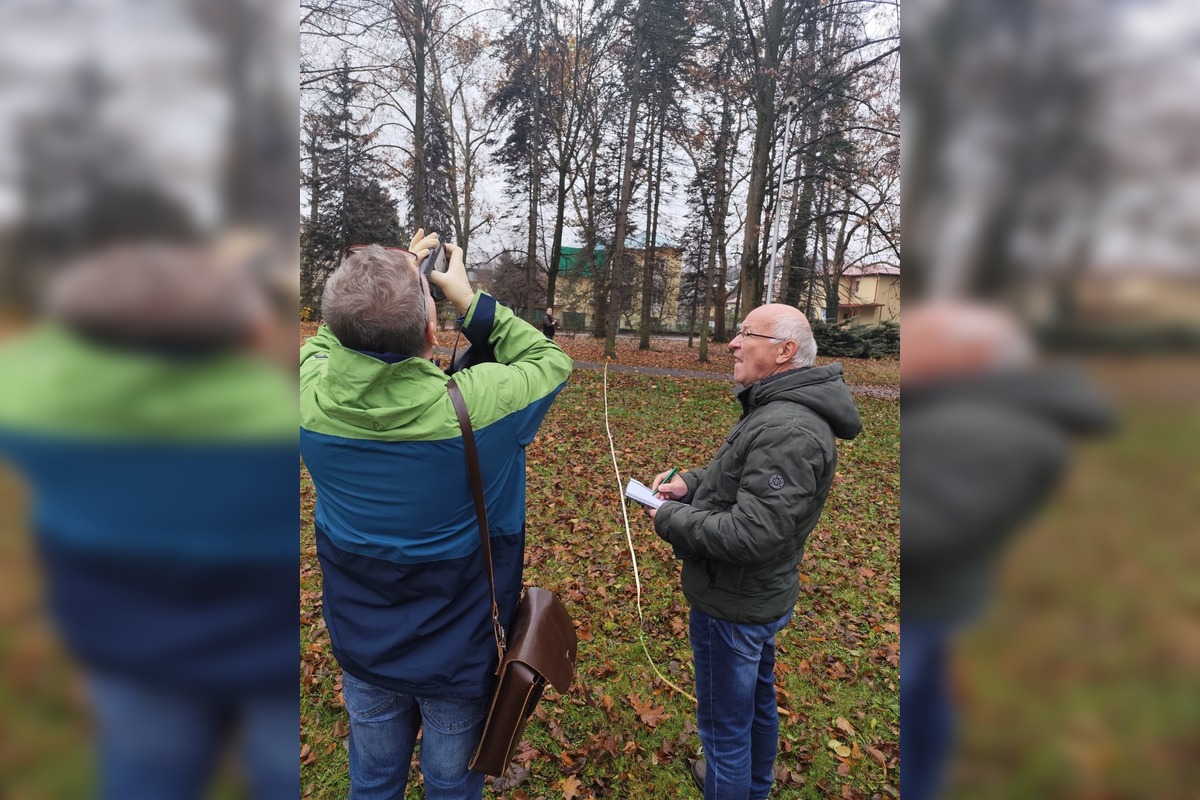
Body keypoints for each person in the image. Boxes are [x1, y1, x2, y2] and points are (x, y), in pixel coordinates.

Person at [0, 242, 299, 800]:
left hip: (132, 650)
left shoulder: (39, 413)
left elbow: (31, 353)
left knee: (147, 777)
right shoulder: (276, 422)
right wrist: (228, 293)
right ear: (246, 335)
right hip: (271, 663)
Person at [299, 232, 572, 800]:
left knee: (373, 780)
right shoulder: (480, 406)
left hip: (363, 639)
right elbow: (550, 360)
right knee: (450, 785)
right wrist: (469, 300)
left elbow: (325, 341)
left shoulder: (307, 395)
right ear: (431, 331)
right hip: (460, 647)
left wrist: (384, 280)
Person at [646, 303, 863, 800]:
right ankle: (754, 787)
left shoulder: (789, 428)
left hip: (735, 604)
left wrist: (668, 518)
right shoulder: (774, 410)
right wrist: (689, 485)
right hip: (752, 596)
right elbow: (739, 478)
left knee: (724, 730)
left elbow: (752, 532)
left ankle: (735, 785)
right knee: (756, 704)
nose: (733, 342)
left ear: (785, 351)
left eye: (747, 333)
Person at [900, 301, 1113, 800]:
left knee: (917, 712)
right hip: (940, 593)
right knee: (926, 706)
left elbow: (928, 525)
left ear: (970, 357)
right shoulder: (969, 413)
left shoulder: (984, 425)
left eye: (920, 344)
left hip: (925, 597)